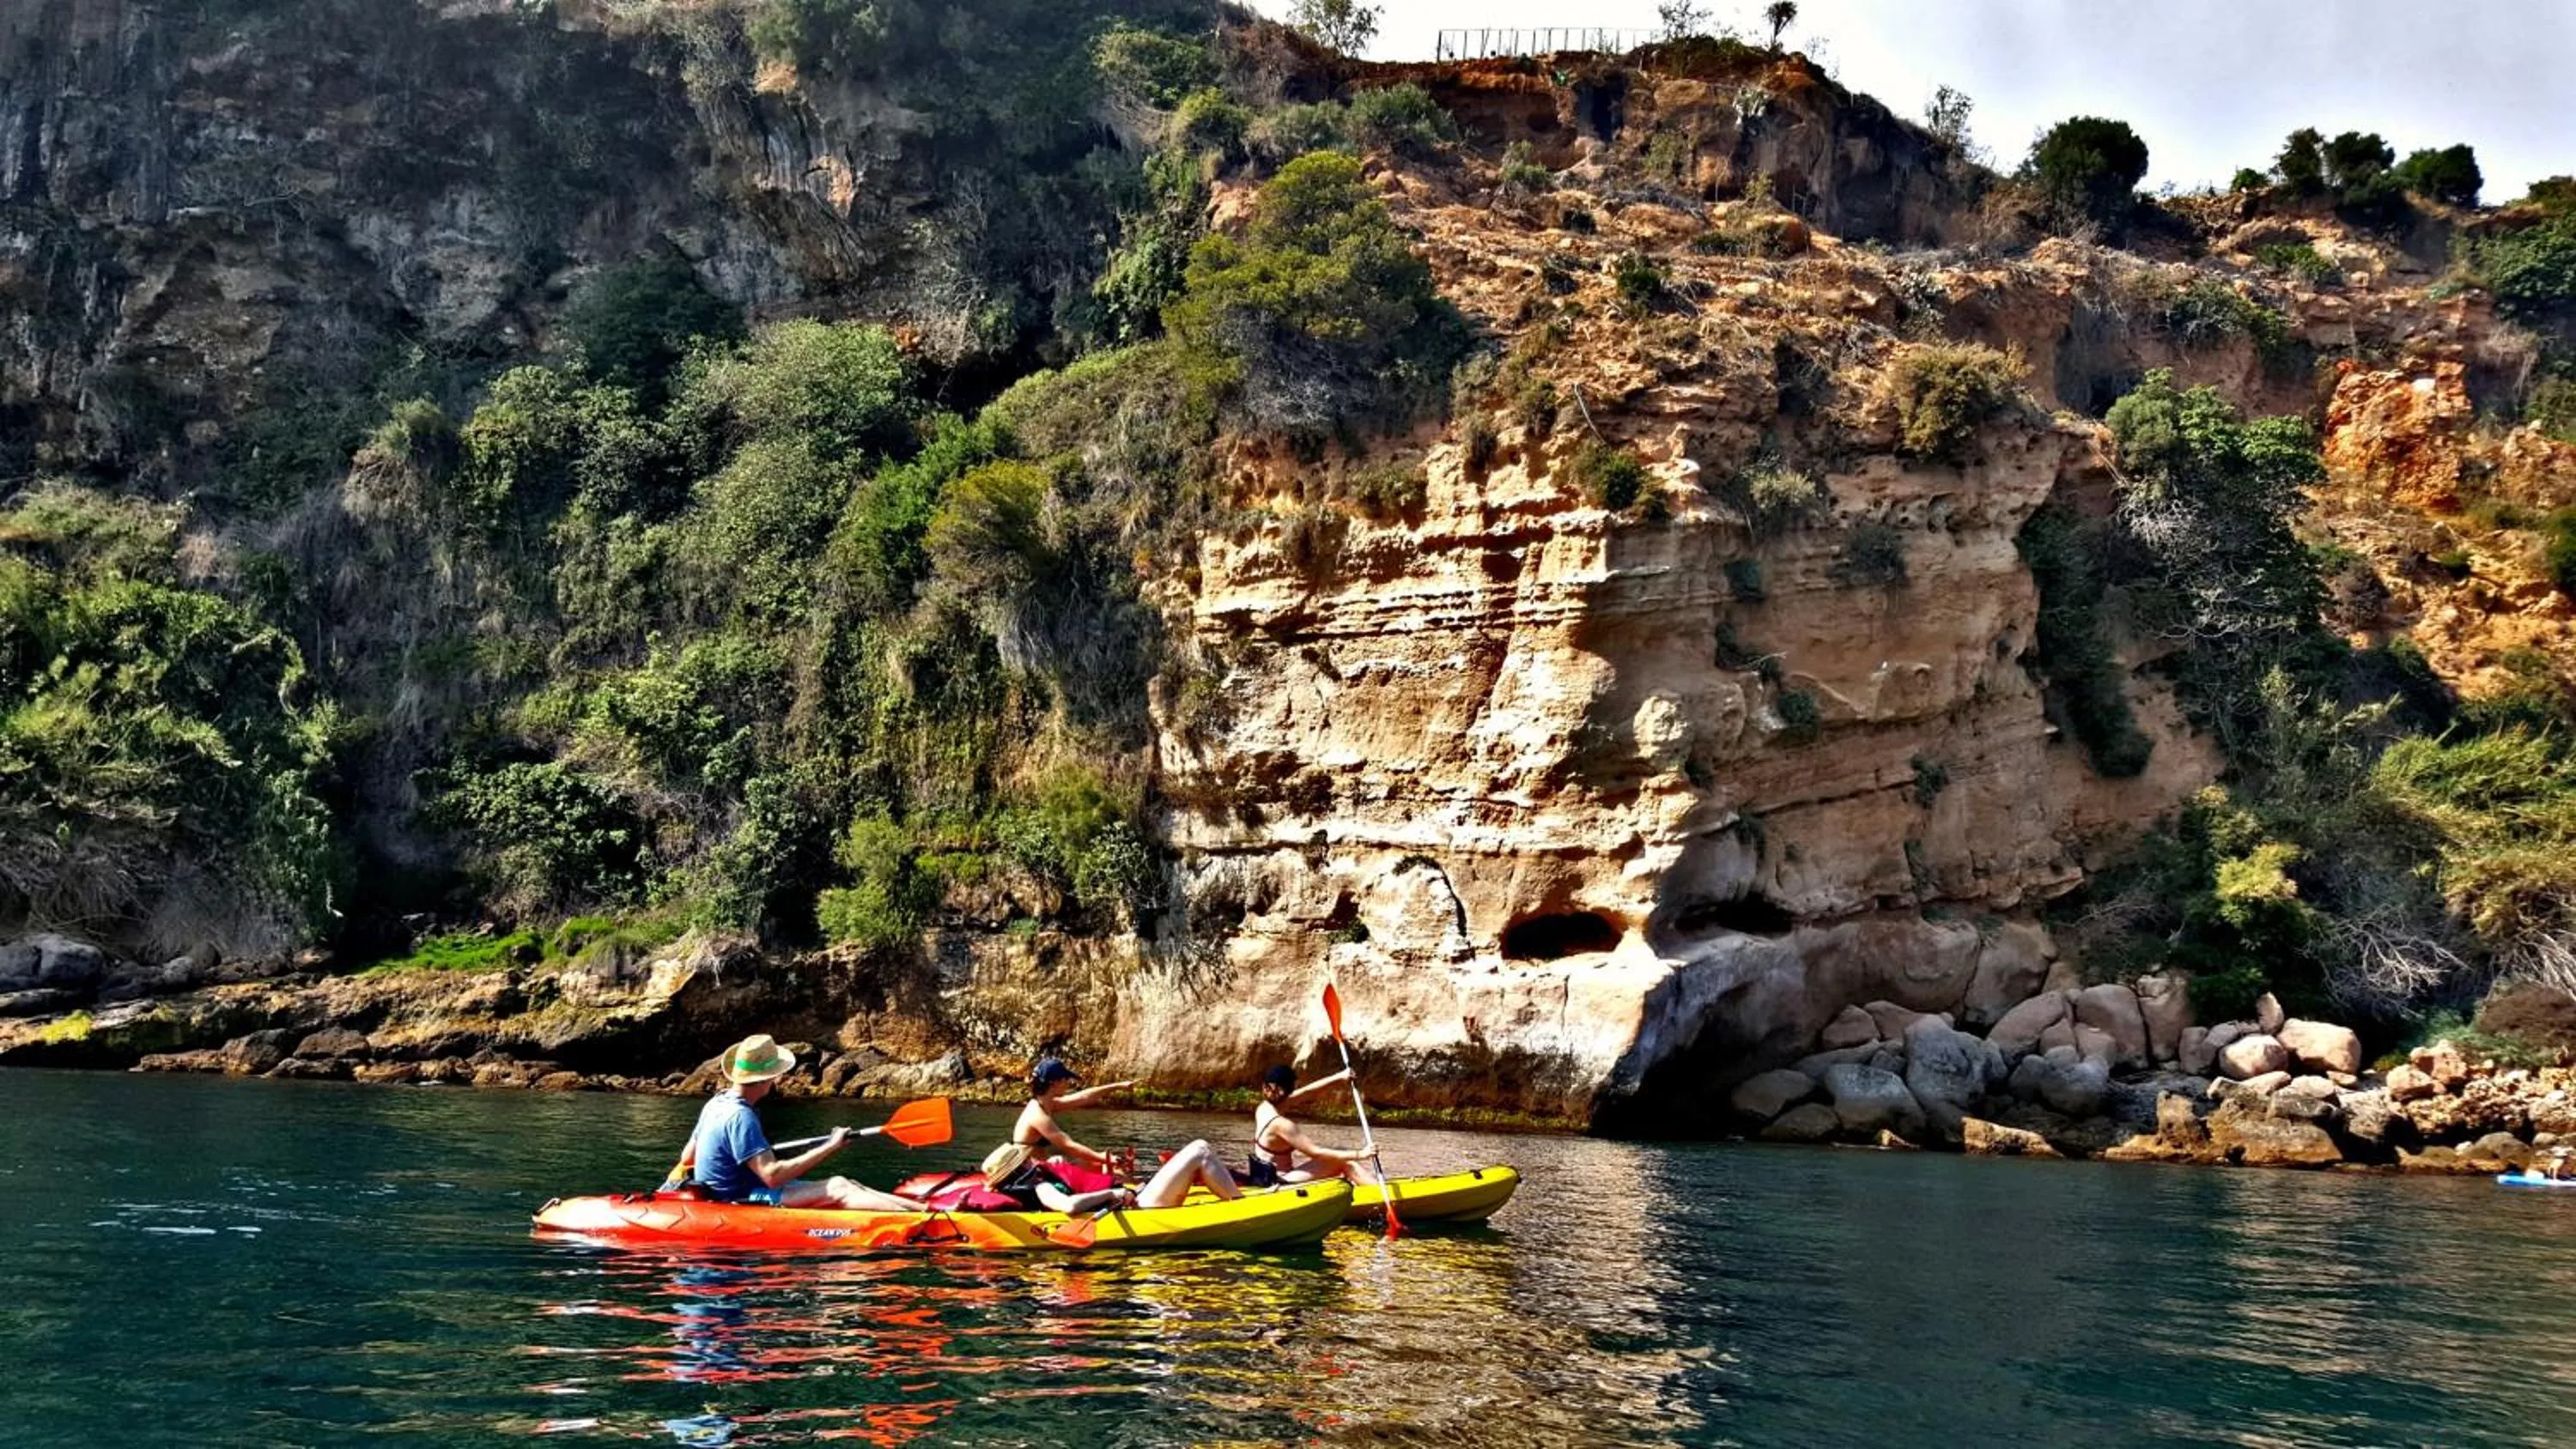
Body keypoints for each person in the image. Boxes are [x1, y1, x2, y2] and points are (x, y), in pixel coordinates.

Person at [667, 1034, 922, 1211]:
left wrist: (741, 1158)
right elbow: (772, 1177)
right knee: (840, 1188)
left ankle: (924, 1207)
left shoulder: (716, 1103)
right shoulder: (741, 1116)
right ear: (768, 1078)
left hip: (734, 1190)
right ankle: (932, 1221)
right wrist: (830, 1147)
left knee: (847, 1183)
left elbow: (688, 1156)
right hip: (739, 1199)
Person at [1250, 1064, 1383, 1186]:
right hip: (1279, 1182)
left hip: (1266, 1177)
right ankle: (1380, 1194)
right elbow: (1316, 1152)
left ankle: (1365, 1188)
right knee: (1346, 1162)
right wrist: (1360, 1154)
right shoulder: (1281, 1124)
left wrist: (1339, 1077)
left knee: (1340, 1154)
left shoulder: (1263, 1108)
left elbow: (1308, 1092)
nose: (1273, 1092)